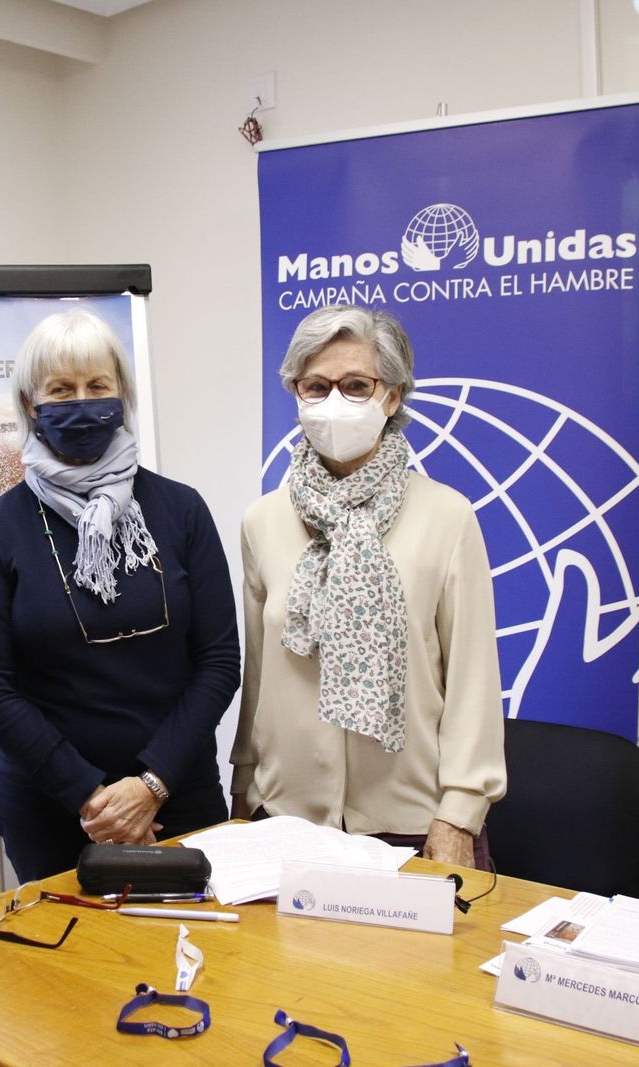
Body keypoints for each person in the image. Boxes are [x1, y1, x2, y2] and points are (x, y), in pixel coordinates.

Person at [0, 308, 240, 881]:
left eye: (97, 386)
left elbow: (218, 662)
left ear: (123, 395)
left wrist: (150, 786)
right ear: (30, 405)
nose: (81, 402)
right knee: (66, 966)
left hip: (178, 796)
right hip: (53, 808)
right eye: (60, 390)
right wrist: (92, 798)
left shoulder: (181, 510)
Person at [231, 304, 505, 868]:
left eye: (357, 385)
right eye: (316, 386)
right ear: (295, 393)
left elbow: (473, 678)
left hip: (414, 820)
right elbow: (259, 673)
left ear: (394, 396)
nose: (335, 402)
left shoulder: (447, 516)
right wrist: (245, 787)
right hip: (288, 819)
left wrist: (459, 812)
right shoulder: (263, 520)